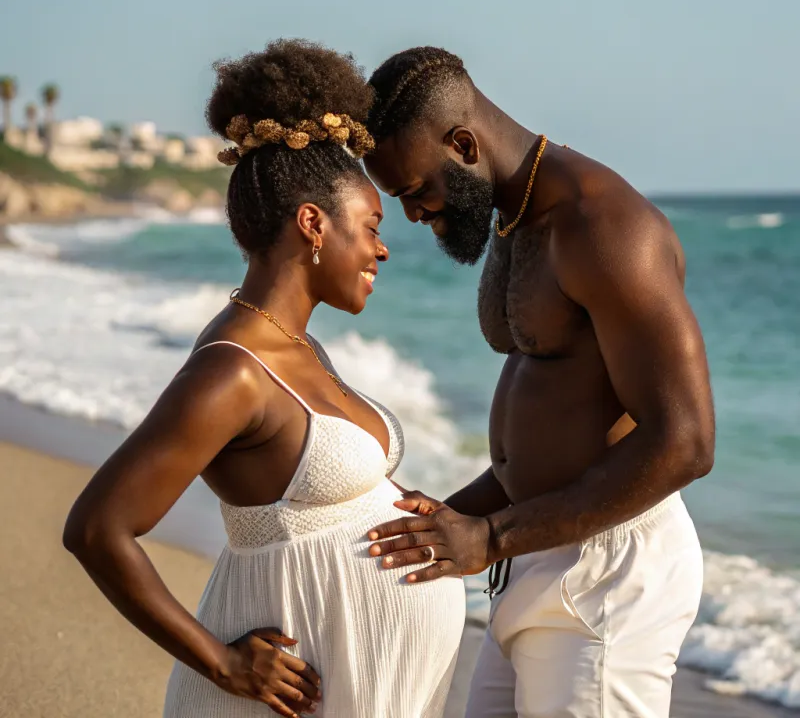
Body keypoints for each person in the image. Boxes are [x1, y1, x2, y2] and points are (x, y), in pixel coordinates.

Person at [63, 40, 465, 718]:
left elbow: (311, 490)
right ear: (313, 224)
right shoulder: (232, 371)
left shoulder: (301, 347)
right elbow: (97, 528)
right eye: (371, 226)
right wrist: (222, 663)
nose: (383, 248)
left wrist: (400, 502)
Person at [361, 46, 715, 718]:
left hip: (606, 578)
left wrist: (491, 537)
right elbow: (556, 423)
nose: (411, 214)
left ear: (463, 145)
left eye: (414, 190)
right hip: (533, 551)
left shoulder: (605, 227)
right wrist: (456, 517)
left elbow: (686, 443)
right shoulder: (516, 215)